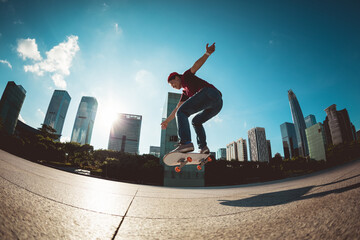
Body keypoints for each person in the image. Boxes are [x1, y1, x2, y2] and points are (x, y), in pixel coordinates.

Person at [161, 43, 223, 154]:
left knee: (182, 112)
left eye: (172, 84)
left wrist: (207, 53)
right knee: (196, 121)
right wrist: (166, 121)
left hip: (209, 93)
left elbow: (195, 66)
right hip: (217, 105)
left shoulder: (185, 76)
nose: (174, 87)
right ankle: (203, 147)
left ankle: (185, 143)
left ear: (176, 77)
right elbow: (176, 110)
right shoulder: (185, 93)